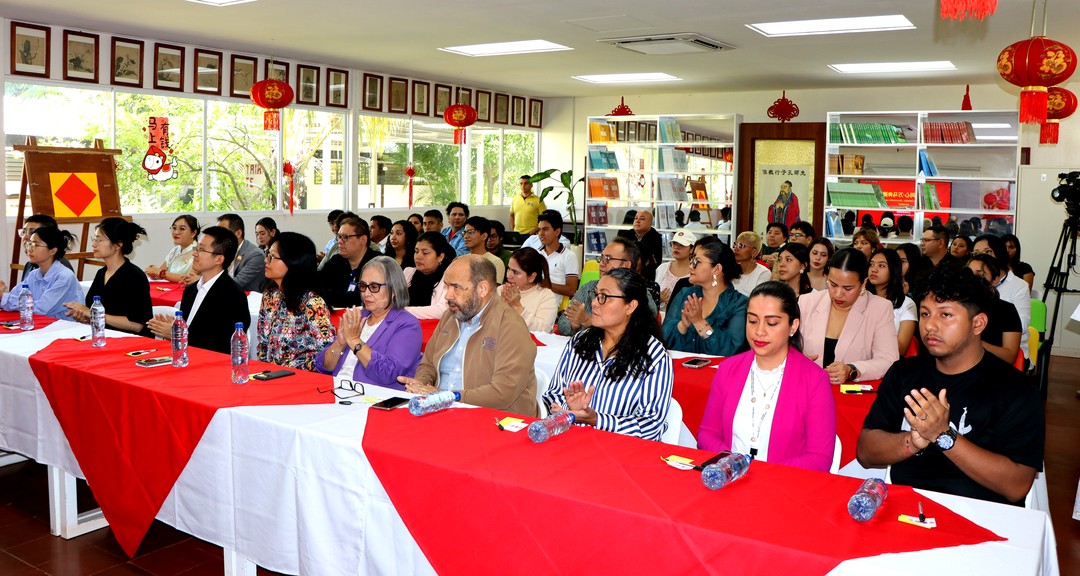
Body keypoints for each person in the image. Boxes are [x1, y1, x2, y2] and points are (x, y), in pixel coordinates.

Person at [857, 265, 1044, 506]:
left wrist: (943, 435)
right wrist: (912, 442)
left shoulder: (1016, 389)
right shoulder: (904, 373)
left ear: (978, 324)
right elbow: (865, 452)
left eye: (945, 315)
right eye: (925, 314)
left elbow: (1017, 486)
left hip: (983, 515)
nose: (930, 326)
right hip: (909, 508)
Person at [698, 281, 835, 472]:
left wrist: (763, 474)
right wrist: (732, 464)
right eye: (752, 321)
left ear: (793, 326)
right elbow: (707, 434)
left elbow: (820, 457)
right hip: (730, 478)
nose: (759, 331)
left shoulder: (814, 380)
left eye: (771, 323)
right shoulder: (728, 369)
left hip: (783, 483)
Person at [397, 255, 539, 417]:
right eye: (447, 287)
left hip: (493, 418)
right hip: (442, 409)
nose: (448, 296)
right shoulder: (450, 317)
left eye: (456, 287)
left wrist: (448, 396)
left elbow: (502, 392)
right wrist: (420, 385)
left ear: (482, 289)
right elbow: (428, 364)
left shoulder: (510, 326)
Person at [542, 267, 673, 440]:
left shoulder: (654, 356)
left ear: (630, 306)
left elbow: (651, 424)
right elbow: (553, 393)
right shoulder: (580, 341)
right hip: (572, 440)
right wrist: (570, 409)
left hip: (621, 448)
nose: (594, 303)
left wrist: (598, 420)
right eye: (595, 295)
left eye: (604, 297)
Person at [317, 256, 421, 388]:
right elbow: (322, 367)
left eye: (374, 287)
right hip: (335, 388)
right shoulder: (358, 316)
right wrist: (339, 344)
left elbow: (388, 373)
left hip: (371, 395)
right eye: (362, 286)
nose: (366, 293)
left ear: (394, 289)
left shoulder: (407, 324)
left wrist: (355, 341)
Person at [799, 248, 899, 383]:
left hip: (850, 391)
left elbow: (888, 360)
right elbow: (784, 347)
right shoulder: (807, 302)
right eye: (833, 284)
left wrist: (852, 370)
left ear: (863, 283)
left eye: (848, 288)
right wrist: (796, 358)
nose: (838, 294)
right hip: (807, 385)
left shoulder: (880, 309)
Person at [146, 226, 250, 354]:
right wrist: (176, 328)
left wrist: (179, 333)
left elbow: (225, 343)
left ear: (219, 259)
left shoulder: (233, 295)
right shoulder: (191, 289)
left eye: (201, 249)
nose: (194, 253)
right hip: (187, 356)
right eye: (196, 248)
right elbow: (192, 329)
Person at [256, 232, 336, 371]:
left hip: (301, 376)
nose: (266, 260)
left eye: (273, 256)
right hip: (270, 374)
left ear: (293, 262)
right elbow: (263, 344)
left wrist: (290, 370)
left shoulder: (312, 303)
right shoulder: (270, 296)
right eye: (267, 254)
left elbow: (326, 353)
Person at [63, 218, 152, 335]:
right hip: (104, 335)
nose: (94, 244)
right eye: (94, 239)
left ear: (118, 244)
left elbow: (137, 325)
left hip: (130, 340)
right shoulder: (101, 273)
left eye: (99, 240)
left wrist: (93, 314)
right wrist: (84, 317)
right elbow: (92, 311)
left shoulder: (134, 276)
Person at [663, 238, 747, 356]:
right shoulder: (685, 294)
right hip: (680, 365)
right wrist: (682, 325)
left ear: (716, 269)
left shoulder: (739, 303)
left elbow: (731, 349)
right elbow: (663, 338)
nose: (691, 266)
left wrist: (699, 322)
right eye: (692, 260)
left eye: (697, 261)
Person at [558, 237, 655, 336]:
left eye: (608, 259)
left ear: (626, 265)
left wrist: (589, 322)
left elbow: (641, 330)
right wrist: (574, 325)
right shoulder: (589, 287)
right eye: (601, 258)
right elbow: (562, 323)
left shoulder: (641, 294)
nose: (601, 264)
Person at [0, 226, 83, 320]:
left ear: (52, 251)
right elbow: (14, 295)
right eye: (30, 244)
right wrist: (2, 296)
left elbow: (41, 309)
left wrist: (3, 297)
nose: (30, 249)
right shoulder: (34, 275)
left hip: (65, 326)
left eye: (36, 245)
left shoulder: (64, 277)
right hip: (42, 323)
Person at [972, 234, 1031, 363]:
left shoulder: (1019, 286)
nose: (981, 257)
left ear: (1000, 254)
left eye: (988, 252)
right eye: (976, 253)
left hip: (1007, 348)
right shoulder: (969, 284)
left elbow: (1021, 325)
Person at [967, 255, 1022, 364]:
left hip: (990, 367)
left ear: (995, 279)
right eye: (968, 273)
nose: (971, 279)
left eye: (980, 274)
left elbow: (1010, 356)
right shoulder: (955, 306)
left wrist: (973, 342)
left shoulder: (1006, 310)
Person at [318, 214, 381, 309]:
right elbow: (319, 288)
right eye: (339, 237)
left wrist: (334, 297)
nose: (340, 241)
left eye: (346, 237)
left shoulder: (379, 264)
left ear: (363, 240)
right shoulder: (336, 261)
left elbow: (364, 298)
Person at [867, 248, 917, 356]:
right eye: (871, 264)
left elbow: (901, 349)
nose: (874, 269)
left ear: (893, 270)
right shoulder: (861, 299)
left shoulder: (906, 304)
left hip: (889, 360)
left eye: (881, 266)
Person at [499, 247, 558, 332]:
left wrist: (517, 307)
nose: (508, 275)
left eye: (516, 272)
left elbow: (543, 330)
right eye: (509, 269)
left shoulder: (546, 296)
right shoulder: (500, 290)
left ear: (531, 277)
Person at [405, 231, 455, 319]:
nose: (418, 257)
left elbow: (442, 311)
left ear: (440, 257)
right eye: (416, 251)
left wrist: (403, 311)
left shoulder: (448, 278)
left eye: (425, 253)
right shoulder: (408, 272)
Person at [535, 210, 579, 299]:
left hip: (551, 302)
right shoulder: (536, 254)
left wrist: (547, 284)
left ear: (557, 232)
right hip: (532, 297)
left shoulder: (568, 256)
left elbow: (572, 290)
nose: (541, 234)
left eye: (545, 229)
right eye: (539, 230)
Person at [216, 213, 266, 291]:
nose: (218, 238)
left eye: (223, 233)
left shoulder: (255, 255)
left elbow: (235, 284)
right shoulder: (222, 250)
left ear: (238, 233)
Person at [18, 214, 74, 279]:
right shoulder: (29, 265)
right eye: (24, 232)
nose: (25, 237)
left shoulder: (61, 269)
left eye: (33, 232)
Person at [145, 215, 198, 283]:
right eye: (174, 228)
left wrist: (159, 272)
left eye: (182, 229)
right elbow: (161, 272)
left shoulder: (199, 252)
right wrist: (153, 273)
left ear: (193, 233)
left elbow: (188, 278)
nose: (176, 232)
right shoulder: (175, 250)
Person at [619, 210, 663, 282]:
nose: (637, 221)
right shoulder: (626, 235)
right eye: (636, 218)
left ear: (650, 223)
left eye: (642, 219)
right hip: (626, 274)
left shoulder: (656, 237)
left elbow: (656, 262)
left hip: (648, 276)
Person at [655, 230, 694, 305]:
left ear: (691, 249)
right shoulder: (662, 268)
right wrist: (658, 298)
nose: (676, 247)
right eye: (674, 243)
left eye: (682, 245)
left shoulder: (694, 272)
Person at [463, 215, 505, 283]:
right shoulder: (461, 259)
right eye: (464, 232)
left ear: (484, 236)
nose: (466, 236)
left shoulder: (495, 262)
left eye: (470, 232)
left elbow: (494, 288)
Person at [731, 231, 771, 297]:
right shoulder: (731, 269)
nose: (735, 249)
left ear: (754, 252)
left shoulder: (763, 273)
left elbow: (758, 298)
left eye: (741, 245)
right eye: (735, 245)